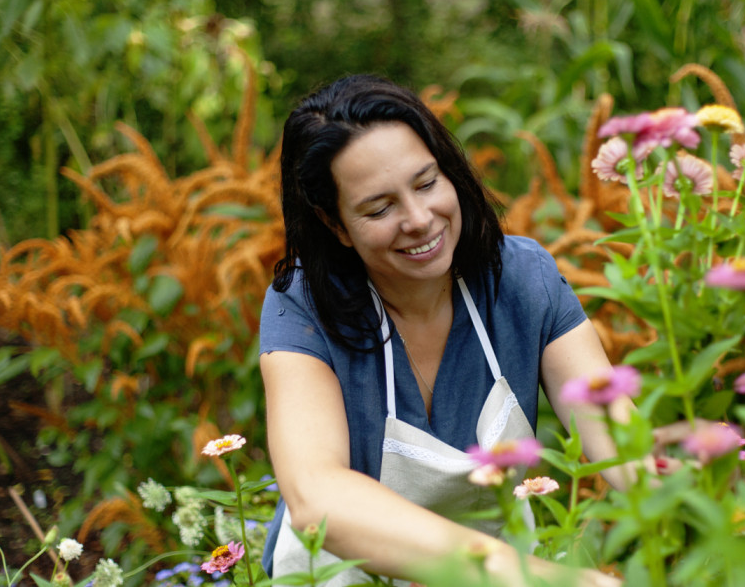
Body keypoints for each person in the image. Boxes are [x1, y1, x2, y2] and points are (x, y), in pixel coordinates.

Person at [259, 74, 630, 586]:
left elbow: (618, 441)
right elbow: (316, 495)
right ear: (336, 225)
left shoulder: (522, 280)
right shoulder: (301, 307)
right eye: (379, 207)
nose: (420, 219)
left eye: (427, 182)